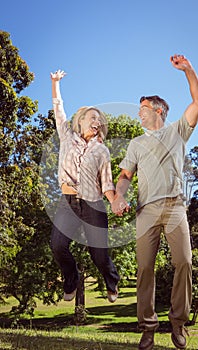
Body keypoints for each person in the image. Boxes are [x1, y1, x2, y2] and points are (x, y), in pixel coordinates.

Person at [111, 54, 198, 350]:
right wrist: (119, 196)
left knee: (184, 262)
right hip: (146, 211)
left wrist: (188, 69)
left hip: (176, 207)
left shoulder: (178, 131)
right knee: (144, 269)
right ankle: (148, 327)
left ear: (159, 110)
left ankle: (178, 323)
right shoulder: (136, 143)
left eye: (143, 108)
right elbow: (125, 174)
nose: (139, 113)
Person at [50, 69, 119, 303]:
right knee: (58, 246)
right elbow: (59, 110)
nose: (96, 121)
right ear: (80, 121)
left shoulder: (102, 150)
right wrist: (55, 83)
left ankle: (112, 281)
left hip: (93, 204)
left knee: (99, 255)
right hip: (68, 202)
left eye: (99, 119)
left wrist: (115, 201)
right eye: (92, 117)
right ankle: (72, 280)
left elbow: (107, 183)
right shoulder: (67, 137)